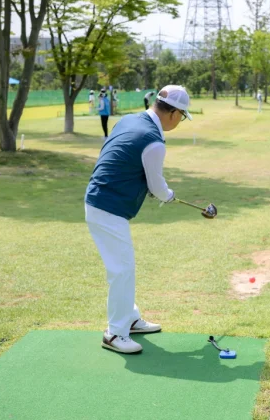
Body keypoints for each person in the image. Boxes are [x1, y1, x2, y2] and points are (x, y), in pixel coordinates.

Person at [85, 85, 192, 354]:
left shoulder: (129, 119)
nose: (179, 122)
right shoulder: (154, 141)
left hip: (101, 201)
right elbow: (157, 186)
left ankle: (130, 319)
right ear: (174, 113)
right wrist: (168, 196)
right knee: (121, 269)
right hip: (107, 207)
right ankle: (115, 333)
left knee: (124, 267)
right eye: (182, 117)